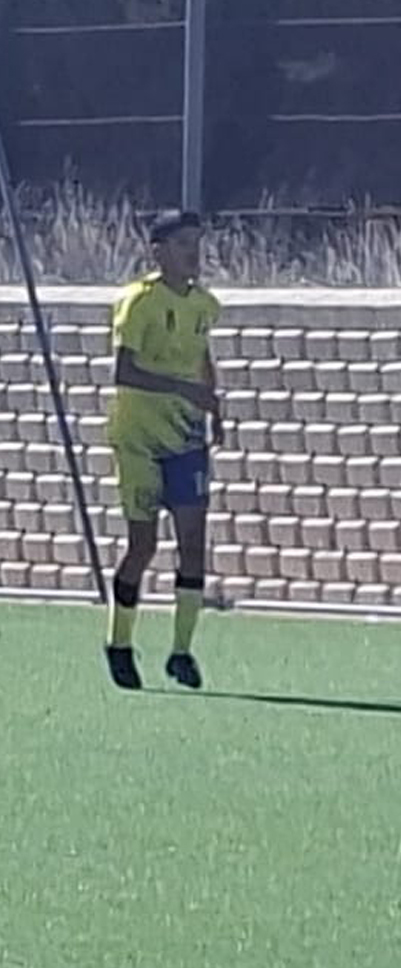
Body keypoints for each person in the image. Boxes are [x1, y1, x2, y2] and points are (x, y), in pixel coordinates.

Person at [103, 210, 222, 691]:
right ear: (159, 252)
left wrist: (214, 407)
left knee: (193, 543)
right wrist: (181, 388)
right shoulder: (139, 302)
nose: (193, 253)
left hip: (186, 438)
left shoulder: (205, 304)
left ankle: (181, 652)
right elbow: (124, 371)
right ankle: (119, 642)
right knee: (144, 544)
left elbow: (202, 356)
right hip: (139, 440)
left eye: (197, 243)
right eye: (183, 244)